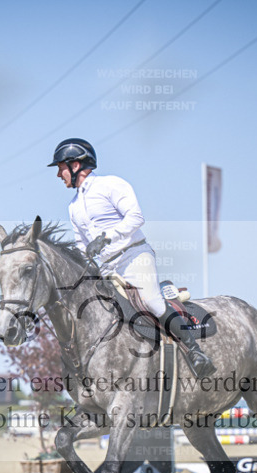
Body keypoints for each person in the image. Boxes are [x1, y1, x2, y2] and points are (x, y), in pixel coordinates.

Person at [49, 138, 215, 377]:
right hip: (107, 268)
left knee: (152, 302)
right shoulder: (73, 206)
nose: (58, 174)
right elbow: (81, 244)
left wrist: (106, 237)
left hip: (134, 257)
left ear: (75, 165)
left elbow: (136, 217)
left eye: (60, 167)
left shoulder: (111, 185)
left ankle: (195, 351)